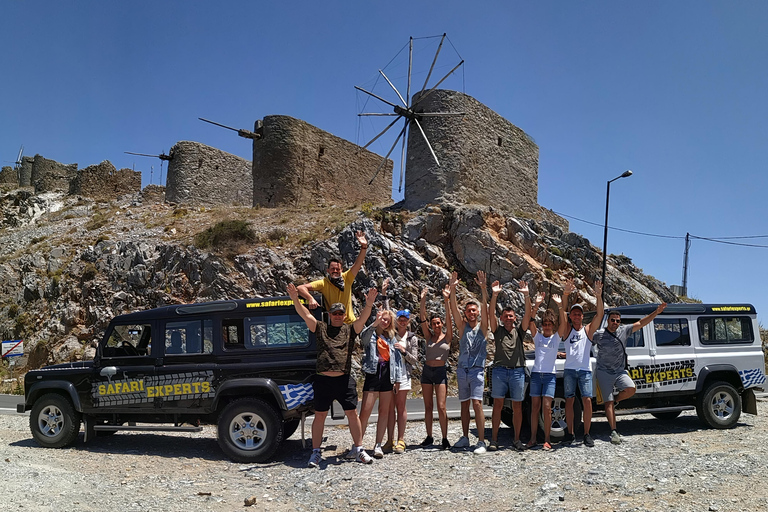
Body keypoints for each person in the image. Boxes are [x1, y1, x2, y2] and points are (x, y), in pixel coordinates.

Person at [286, 283, 377, 467]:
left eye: (340, 313)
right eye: (334, 313)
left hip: (344, 380)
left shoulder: (350, 330)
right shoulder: (320, 328)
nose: (337, 316)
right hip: (323, 381)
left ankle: (359, 449)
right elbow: (305, 314)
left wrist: (369, 304)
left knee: (352, 414)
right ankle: (316, 452)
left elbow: (362, 319)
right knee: (320, 416)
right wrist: (295, 299)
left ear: (344, 315)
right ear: (329, 315)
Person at [592, 303, 667, 444]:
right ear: (608, 320)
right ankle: (614, 431)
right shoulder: (599, 335)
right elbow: (586, 342)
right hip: (604, 371)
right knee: (607, 402)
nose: (615, 323)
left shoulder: (624, 330)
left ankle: (616, 400)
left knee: (631, 389)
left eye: (618, 320)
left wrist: (656, 312)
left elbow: (641, 323)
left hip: (619, 371)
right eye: (613, 320)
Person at [487, 279, 541, 451]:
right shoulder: (498, 331)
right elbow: (490, 315)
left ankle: (516, 440)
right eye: (505, 316)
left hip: (517, 372)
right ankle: (494, 440)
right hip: (499, 372)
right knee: (498, 405)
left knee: (517, 406)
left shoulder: (519, 331)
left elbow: (528, 315)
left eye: (511, 316)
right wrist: (494, 295)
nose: (508, 318)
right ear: (502, 319)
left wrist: (526, 296)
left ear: (514, 318)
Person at [558, 278, 603, 447]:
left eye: (579, 313)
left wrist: (598, 296)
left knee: (587, 401)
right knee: (569, 401)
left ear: (582, 316)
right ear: (571, 316)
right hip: (569, 370)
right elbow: (562, 312)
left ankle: (586, 433)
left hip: (584, 370)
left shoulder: (588, 330)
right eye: (574, 313)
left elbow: (600, 315)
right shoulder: (568, 330)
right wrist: (566, 294)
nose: (576, 316)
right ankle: (570, 433)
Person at [449, 270, 490, 454]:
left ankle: (481, 441)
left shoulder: (482, 328)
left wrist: (483, 289)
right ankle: (465, 437)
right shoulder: (462, 327)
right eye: (469, 310)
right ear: (466, 313)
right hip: (462, 370)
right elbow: (453, 310)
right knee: (464, 404)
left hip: (476, 371)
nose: (472, 313)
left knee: (477, 404)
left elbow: (487, 310)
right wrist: (452, 289)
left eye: (474, 310)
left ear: (477, 313)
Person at [357, 308, 406, 459]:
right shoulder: (370, 333)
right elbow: (362, 338)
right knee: (365, 411)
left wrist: (397, 380)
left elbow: (396, 361)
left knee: (384, 411)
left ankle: (378, 444)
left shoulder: (391, 337)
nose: (385, 322)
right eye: (383, 319)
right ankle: (358, 445)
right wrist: (374, 323)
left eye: (387, 321)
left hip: (387, 376)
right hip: (373, 374)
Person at [297, 230, 368, 324]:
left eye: (337, 269)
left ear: (341, 270)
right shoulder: (323, 283)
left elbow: (358, 263)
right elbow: (300, 288)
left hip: (349, 324)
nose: (335, 271)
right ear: (328, 270)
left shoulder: (347, 277)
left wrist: (363, 247)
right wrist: (310, 299)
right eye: (332, 269)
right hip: (333, 325)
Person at [418, 285, 452, 450]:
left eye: (438, 323)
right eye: (434, 324)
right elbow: (422, 317)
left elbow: (450, 318)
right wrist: (423, 299)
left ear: (442, 323)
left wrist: (447, 300)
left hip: (440, 372)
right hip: (427, 372)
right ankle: (429, 436)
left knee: (441, 405)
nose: (436, 325)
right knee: (428, 406)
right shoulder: (428, 336)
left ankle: (445, 438)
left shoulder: (448, 337)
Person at [527, 302, 564, 451]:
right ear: (542, 325)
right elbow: (530, 322)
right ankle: (533, 438)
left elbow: (564, 323)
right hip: (536, 375)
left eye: (549, 324)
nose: (547, 327)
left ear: (553, 326)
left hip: (549, 376)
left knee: (547, 408)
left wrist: (561, 306)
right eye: (545, 324)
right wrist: (535, 306)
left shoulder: (555, 339)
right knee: (535, 408)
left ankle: (547, 439)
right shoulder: (538, 338)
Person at [388, 307, 420, 454]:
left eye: (405, 319)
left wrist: (403, 351)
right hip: (389, 374)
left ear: (408, 321)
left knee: (400, 407)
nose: (402, 321)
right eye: (400, 318)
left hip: (403, 375)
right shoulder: (390, 334)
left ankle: (400, 439)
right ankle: (389, 440)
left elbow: (414, 360)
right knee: (389, 408)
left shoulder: (412, 338)